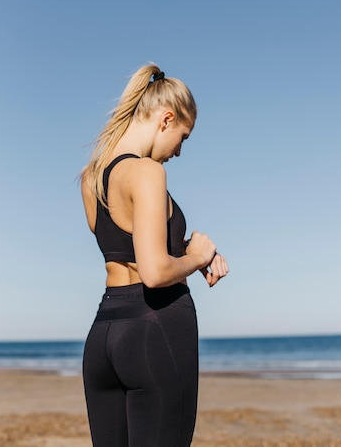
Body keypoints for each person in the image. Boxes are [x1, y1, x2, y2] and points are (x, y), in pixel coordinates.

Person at [80, 64, 229, 447]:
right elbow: (154, 272)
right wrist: (196, 257)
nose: (178, 151)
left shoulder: (92, 176)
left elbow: (126, 245)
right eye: (183, 137)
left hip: (104, 338)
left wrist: (184, 250)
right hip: (154, 331)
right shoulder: (146, 172)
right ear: (166, 119)